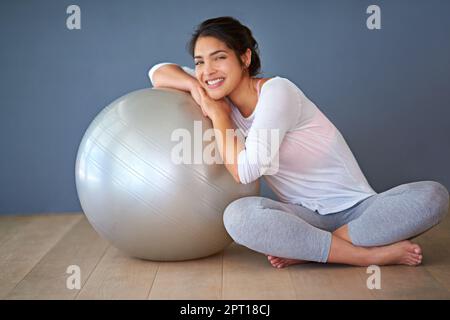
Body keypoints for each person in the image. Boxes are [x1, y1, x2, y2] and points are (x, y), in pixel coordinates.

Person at [148, 16, 449, 268]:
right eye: (200, 62)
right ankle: (363, 255)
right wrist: (199, 92)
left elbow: (246, 172)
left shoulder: (278, 92)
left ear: (245, 58)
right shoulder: (214, 89)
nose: (207, 71)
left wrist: (219, 116)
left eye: (219, 58)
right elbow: (157, 72)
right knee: (238, 217)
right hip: (303, 217)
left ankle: (317, 249)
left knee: (432, 195)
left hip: (358, 211)